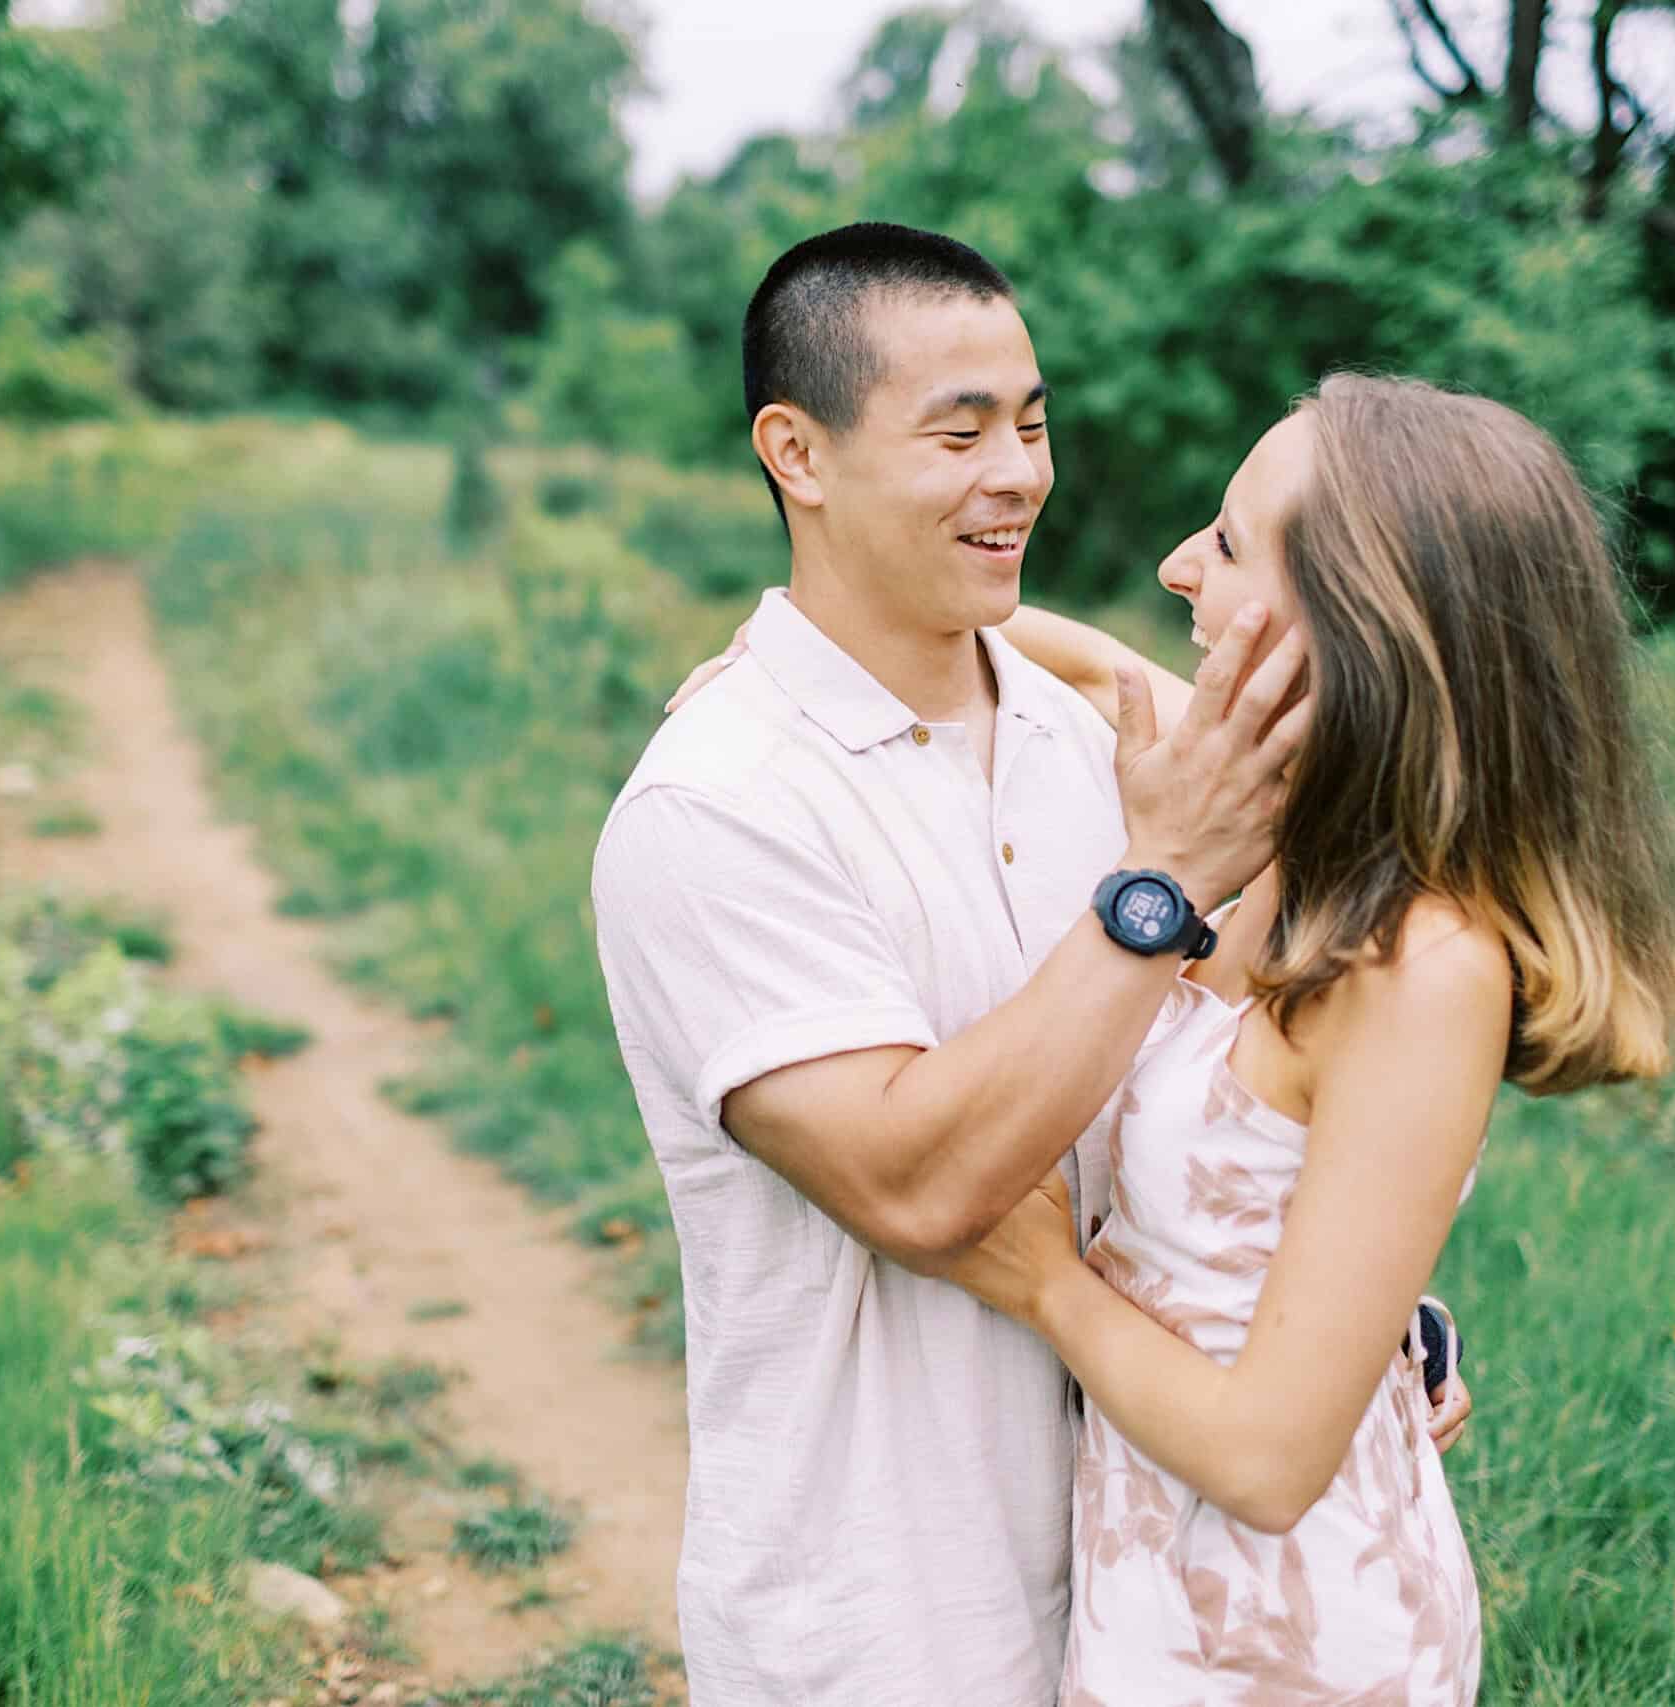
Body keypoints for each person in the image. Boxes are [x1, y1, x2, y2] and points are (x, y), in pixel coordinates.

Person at [589, 224, 1469, 1706]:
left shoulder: (1101, 751)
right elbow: (923, 1190)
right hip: (884, 1615)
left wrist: (1362, 1314)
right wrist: (1162, 887)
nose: (1021, 473)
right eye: (961, 431)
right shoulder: (719, 807)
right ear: (795, 453)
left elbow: (1248, 1111)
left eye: (1034, 421)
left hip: (1154, 1599)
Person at [930, 375, 1675, 1702]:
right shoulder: (1299, 830)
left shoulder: (1426, 968)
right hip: (1158, 1597)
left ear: (1362, 631)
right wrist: (829, 658)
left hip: (1292, 1644)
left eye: (1229, 544)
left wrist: (1042, 1281)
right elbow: (1110, 670)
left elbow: (1274, 1463)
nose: (1178, 564)